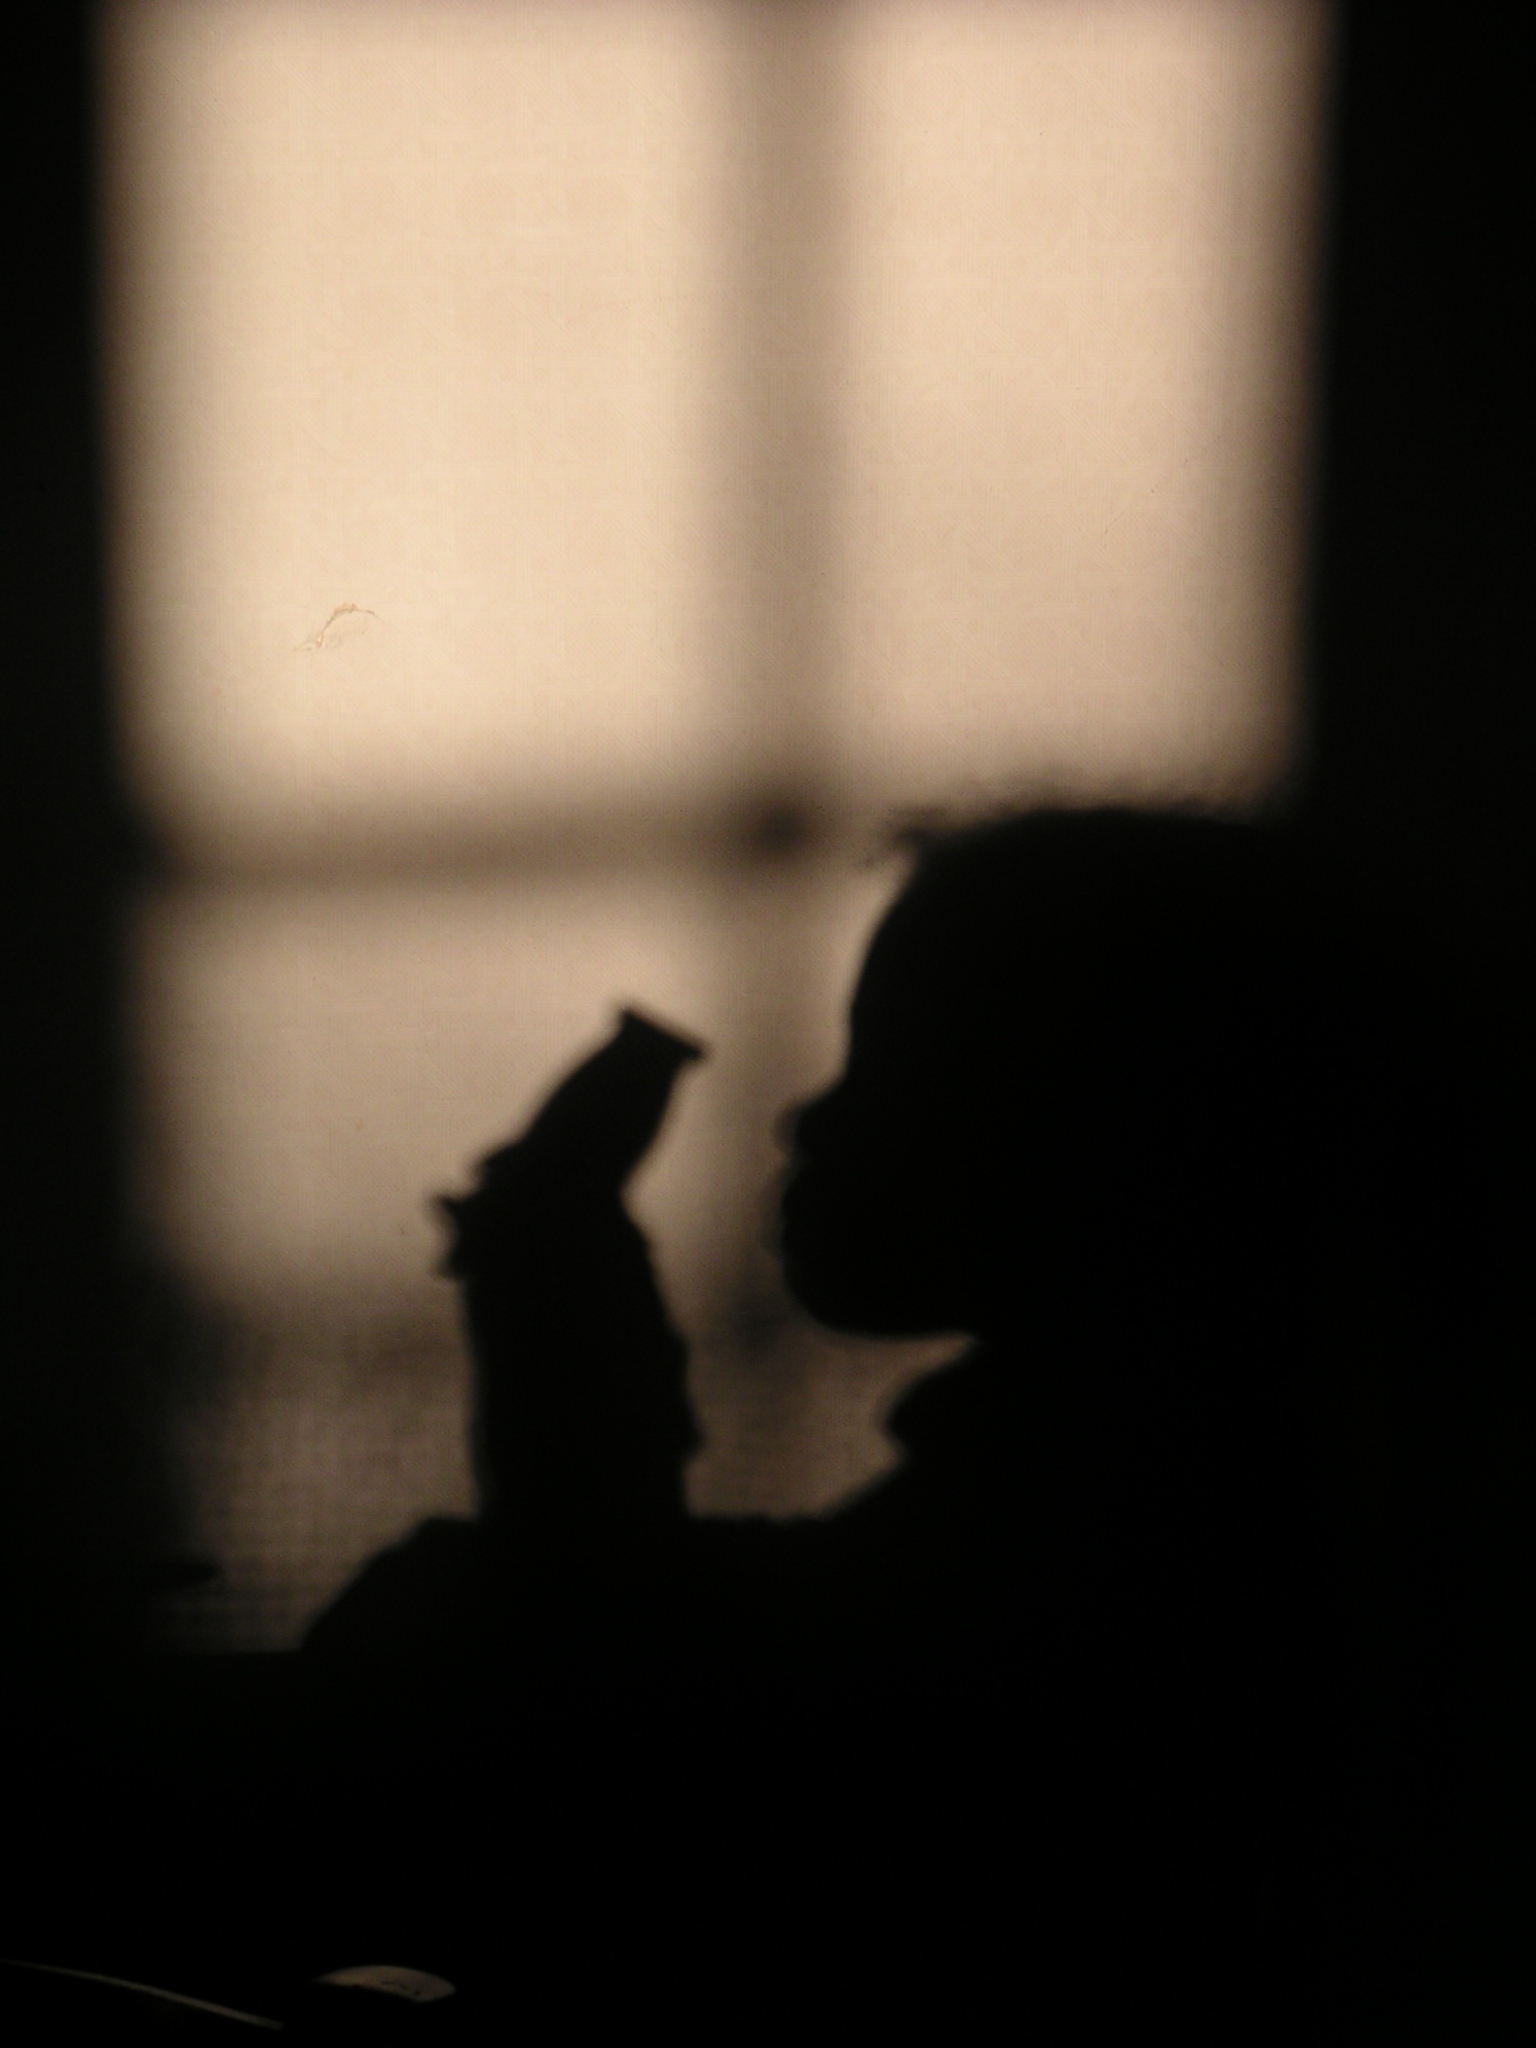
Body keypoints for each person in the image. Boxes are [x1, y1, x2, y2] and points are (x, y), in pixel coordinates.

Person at [297, 805, 1453, 2031]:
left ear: (1108, 1128)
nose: (804, 1118)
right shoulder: (1145, 1470)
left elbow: (702, 1679)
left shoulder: (1114, 1521)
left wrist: (558, 1287)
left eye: (893, 1063)